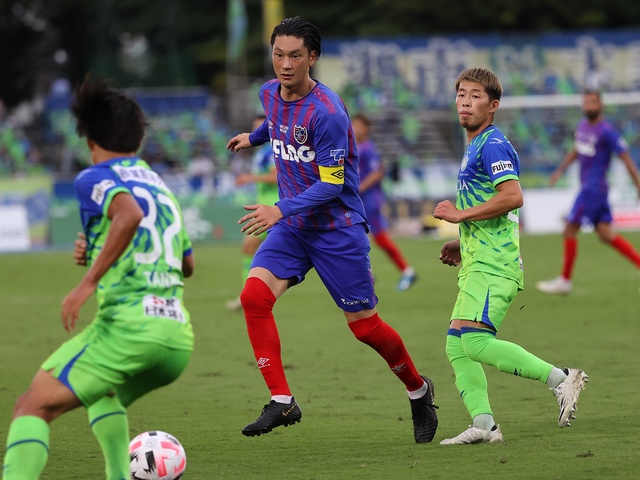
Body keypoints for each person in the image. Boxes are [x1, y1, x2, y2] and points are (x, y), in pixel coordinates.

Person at [226, 16, 438, 443]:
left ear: (313, 57)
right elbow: (276, 122)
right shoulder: (268, 92)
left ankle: (418, 390)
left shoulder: (327, 113)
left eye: (295, 56)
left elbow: (332, 184)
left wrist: (279, 209)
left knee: (365, 328)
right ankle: (282, 400)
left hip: (336, 229)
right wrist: (254, 137)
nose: (285, 64)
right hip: (294, 227)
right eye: (278, 54)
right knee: (253, 297)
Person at [3, 77, 195, 479]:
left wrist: (88, 281)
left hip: (129, 329)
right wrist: (97, 252)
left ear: (89, 141)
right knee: (104, 394)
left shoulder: (93, 177)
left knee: (30, 407)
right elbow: (186, 264)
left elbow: (129, 215)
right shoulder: (160, 185)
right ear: (139, 140)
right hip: (176, 337)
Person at [433, 67, 588, 445]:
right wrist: (463, 240)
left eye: (475, 96)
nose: (465, 102)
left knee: (475, 342)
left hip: (494, 265)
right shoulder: (475, 145)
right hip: (478, 260)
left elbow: (512, 196)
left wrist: (459, 216)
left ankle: (562, 378)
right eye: (461, 94)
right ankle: (484, 425)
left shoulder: (493, 144)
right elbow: (494, 207)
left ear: (493, 105)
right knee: (457, 345)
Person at [535, 90, 640, 295]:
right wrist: (560, 170)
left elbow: (626, 159)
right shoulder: (582, 126)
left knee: (569, 230)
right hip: (592, 189)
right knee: (606, 234)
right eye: (586, 102)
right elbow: (576, 150)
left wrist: (637, 184)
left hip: (594, 189)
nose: (589, 106)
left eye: (593, 102)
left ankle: (565, 281)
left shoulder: (607, 132)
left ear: (600, 105)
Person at [351, 113, 417, 291]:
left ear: (366, 129)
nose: (355, 128)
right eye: (353, 124)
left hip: (369, 201)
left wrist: (359, 187)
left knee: (379, 238)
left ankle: (407, 271)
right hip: (359, 201)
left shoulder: (368, 148)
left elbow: (378, 172)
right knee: (355, 236)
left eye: (358, 125)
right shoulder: (356, 147)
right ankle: (366, 273)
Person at [227, 114, 279, 310]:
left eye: (261, 127)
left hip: (274, 208)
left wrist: (250, 178)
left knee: (250, 247)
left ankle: (248, 296)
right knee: (250, 248)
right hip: (267, 207)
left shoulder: (272, 150)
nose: (258, 131)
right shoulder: (262, 152)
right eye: (256, 127)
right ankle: (248, 295)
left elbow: (275, 177)